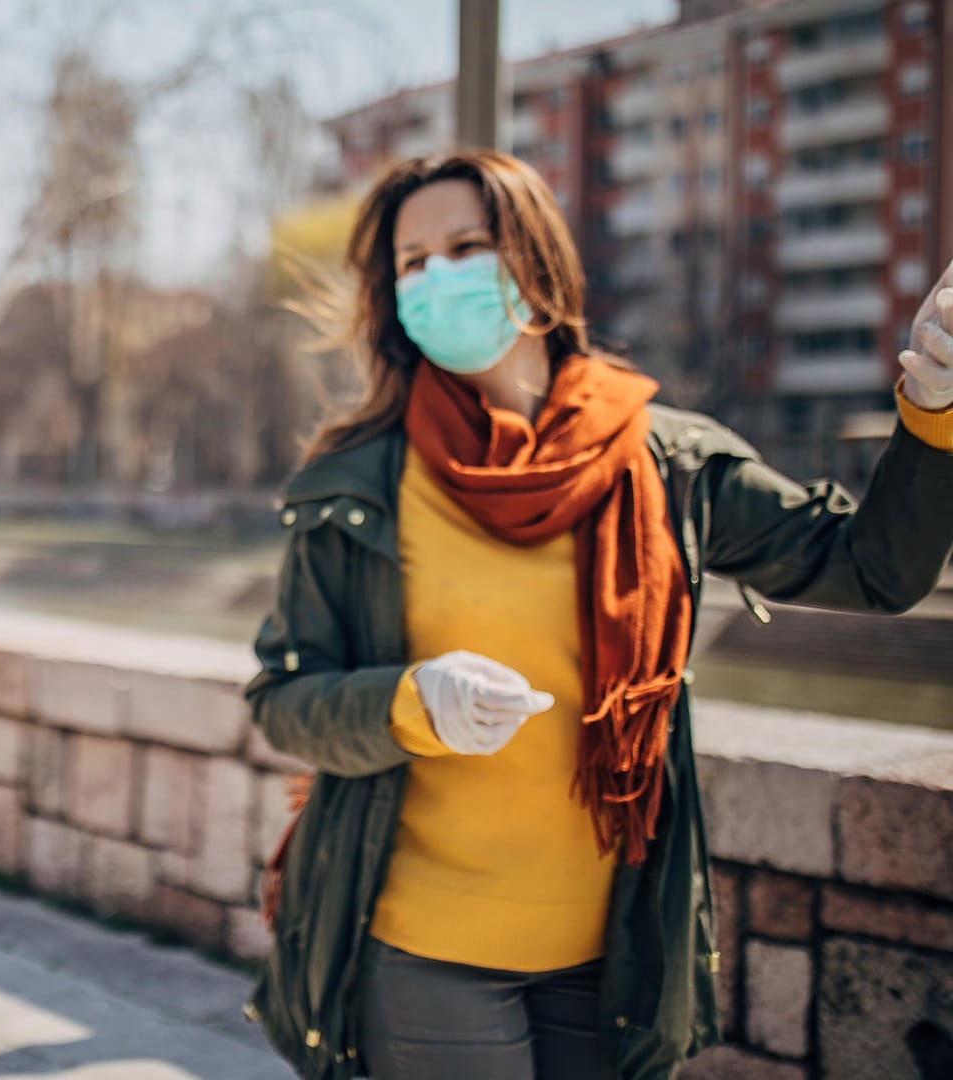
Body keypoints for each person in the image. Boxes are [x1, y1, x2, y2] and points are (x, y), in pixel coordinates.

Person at [243, 150, 953, 1080]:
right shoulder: (357, 480)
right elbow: (284, 697)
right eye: (412, 263)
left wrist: (934, 414)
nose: (437, 277)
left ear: (535, 263)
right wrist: (413, 701)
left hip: (615, 958)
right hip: (423, 948)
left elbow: (871, 571)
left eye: (466, 245)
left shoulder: (670, 463)